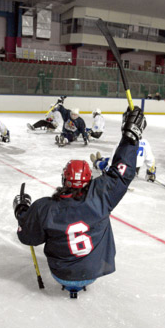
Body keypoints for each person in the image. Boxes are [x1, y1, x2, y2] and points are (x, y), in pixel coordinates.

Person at [13, 106, 146, 298]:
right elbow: (121, 174)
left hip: (61, 275)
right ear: (89, 180)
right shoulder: (101, 196)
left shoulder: (45, 208)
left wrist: (22, 211)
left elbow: (28, 237)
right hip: (93, 272)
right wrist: (130, 138)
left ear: (64, 179)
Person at [91, 137, 156, 182]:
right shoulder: (145, 143)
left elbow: (112, 159)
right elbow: (150, 159)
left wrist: (107, 168)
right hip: (134, 171)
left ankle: (96, 162)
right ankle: (102, 159)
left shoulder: (123, 141)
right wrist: (151, 173)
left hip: (123, 170)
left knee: (106, 164)